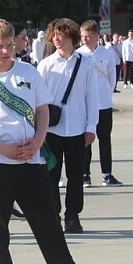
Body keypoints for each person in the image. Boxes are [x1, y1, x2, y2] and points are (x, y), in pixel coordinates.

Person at [0, 18, 110, 264]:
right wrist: (5, 150)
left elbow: (43, 110)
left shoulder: (28, 71)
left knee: (47, 220)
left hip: (32, 159)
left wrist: (39, 141)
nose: (5, 52)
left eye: (9, 46)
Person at [37, 19, 98, 234]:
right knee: (51, 175)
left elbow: (92, 96)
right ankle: (53, 213)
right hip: (52, 129)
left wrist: (92, 126)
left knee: (75, 175)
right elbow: (38, 100)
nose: (57, 38)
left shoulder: (85, 63)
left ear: (72, 36)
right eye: (54, 34)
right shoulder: (45, 65)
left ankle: (72, 215)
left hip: (77, 128)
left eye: (61, 34)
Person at [79, 21, 122, 187]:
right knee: (85, 140)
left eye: (88, 36)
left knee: (105, 139)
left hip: (103, 103)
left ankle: (107, 174)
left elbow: (112, 77)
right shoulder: (78, 54)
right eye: (83, 36)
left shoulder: (107, 53)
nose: (85, 39)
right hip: (84, 104)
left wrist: (105, 93)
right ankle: (85, 174)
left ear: (97, 36)